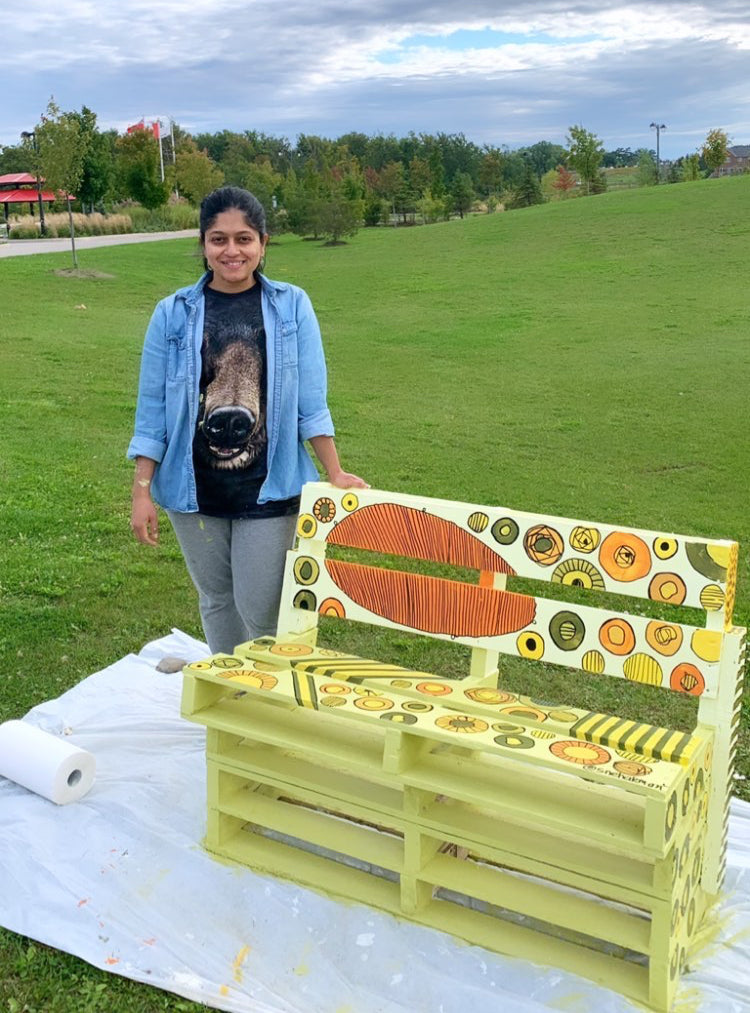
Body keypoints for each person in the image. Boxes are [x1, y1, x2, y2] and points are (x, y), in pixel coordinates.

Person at [128, 186, 367, 655]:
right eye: (219, 239)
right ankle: (229, 702)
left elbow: (311, 401)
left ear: (263, 243)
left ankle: (264, 707)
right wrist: (141, 491)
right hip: (191, 490)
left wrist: (334, 471)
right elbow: (151, 409)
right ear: (202, 244)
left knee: (261, 610)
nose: (231, 251)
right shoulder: (172, 313)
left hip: (271, 487)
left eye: (243, 239)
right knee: (216, 601)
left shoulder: (292, 306)